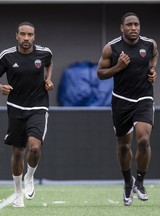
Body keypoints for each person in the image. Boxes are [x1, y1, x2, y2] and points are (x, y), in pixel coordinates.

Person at [97, 12, 158, 206]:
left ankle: (139, 182)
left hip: (144, 98)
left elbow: (154, 57)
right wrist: (118, 67)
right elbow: (100, 74)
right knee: (124, 145)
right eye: (129, 25)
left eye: (137, 25)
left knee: (143, 139)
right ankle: (127, 182)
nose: (134, 28)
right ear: (121, 28)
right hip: (121, 101)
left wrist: (152, 70)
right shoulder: (112, 48)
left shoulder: (150, 44)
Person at [0, 22, 53, 207]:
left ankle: (30, 176)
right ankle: (18, 192)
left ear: (34, 36)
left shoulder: (44, 53)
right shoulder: (7, 56)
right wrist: (0, 87)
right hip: (16, 108)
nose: (27, 38)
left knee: (34, 148)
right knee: (18, 152)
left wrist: (48, 79)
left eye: (30, 35)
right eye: (23, 34)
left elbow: (49, 64)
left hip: (38, 106)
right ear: (17, 35)